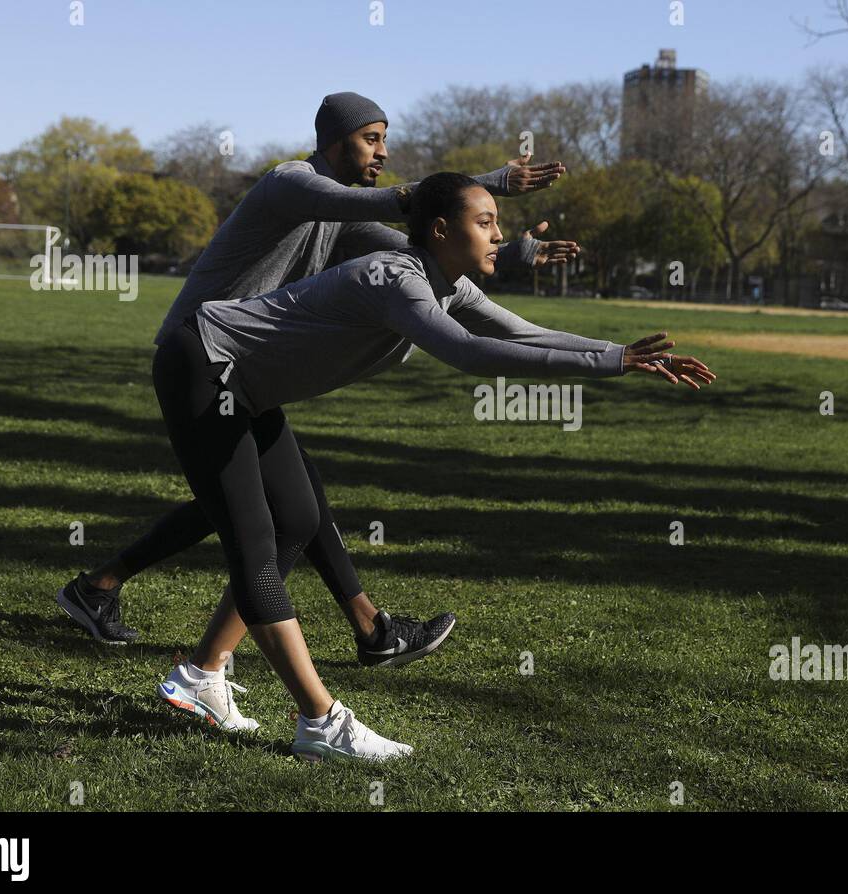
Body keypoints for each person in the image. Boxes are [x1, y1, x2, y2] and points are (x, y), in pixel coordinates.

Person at [149, 171, 715, 761]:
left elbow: (522, 333)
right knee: (255, 543)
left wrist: (618, 356)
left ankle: (200, 675)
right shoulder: (397, 280)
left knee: (297, 518)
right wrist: (610, 362)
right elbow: (469, 352)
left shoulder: (449, 286)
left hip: (244, 386)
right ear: (441, 230)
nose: (499, 235)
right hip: (205, 367)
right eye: (486, 222)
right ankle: (319, 721)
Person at [58, 93, 578, 729]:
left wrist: (510, 253)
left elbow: (429, 247)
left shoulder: (342, 220)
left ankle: (136, 610)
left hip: (248, 372)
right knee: (259, 516)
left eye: (384, 138)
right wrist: (488, 182)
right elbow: (403, 207)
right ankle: (313, 662)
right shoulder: (292, 184)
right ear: (335, 139)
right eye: (371, 138)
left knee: (287, 508)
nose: (382, 152)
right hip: (204, 356)